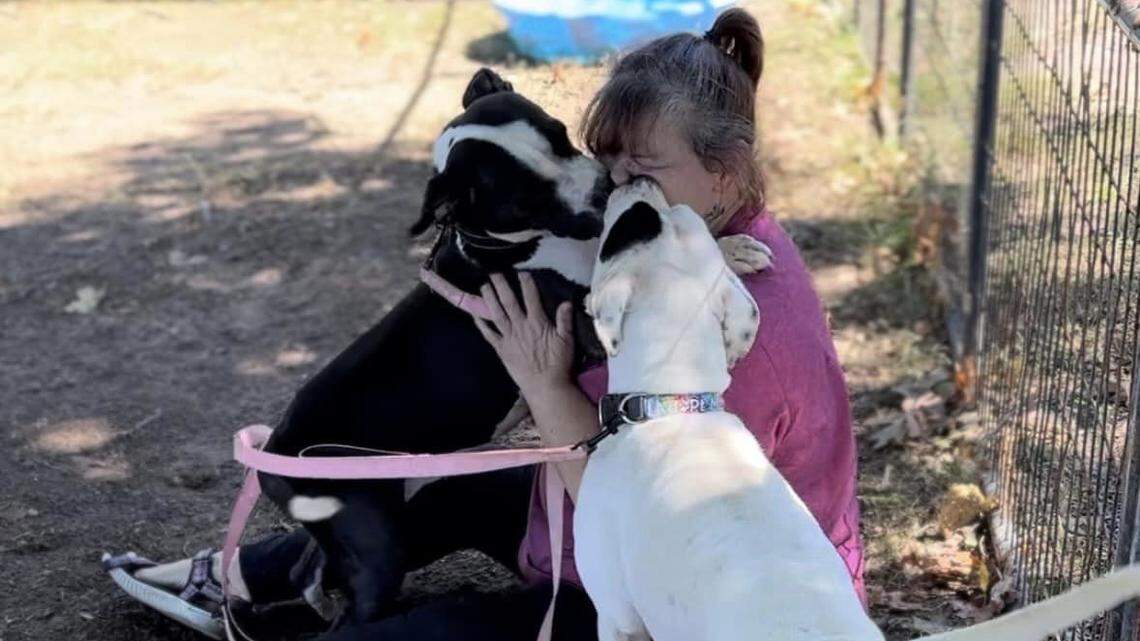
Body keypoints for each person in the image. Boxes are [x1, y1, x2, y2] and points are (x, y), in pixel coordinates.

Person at [126, 8, 864, 640]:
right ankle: (256, 575)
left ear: (726, 172)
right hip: (641, 524)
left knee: (440, 627)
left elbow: (638, 501)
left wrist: (544, 385)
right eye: (603, 160)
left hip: (688, 596)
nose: (611, 187)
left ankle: (302, 609)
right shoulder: (683, 235)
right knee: (453, 493)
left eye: (641, 169)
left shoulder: (747, 339)